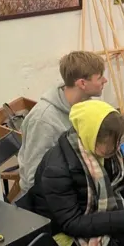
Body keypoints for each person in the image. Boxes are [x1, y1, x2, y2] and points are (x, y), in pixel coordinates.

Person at [29, 100, 124, 246]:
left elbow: (121, 184)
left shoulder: (105, 151)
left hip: (91, 216)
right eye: (110, 145)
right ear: (90, 135)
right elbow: (71, 223)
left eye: (118, 142)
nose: (115, 149)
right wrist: (123, 219)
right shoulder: (57, 170)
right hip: (63, 233)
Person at [18, 51, 107, 194]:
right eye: (100, 77)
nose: (105, 80)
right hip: (52, 199)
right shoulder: (43, 120)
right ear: (82, 83)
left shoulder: (86, 104)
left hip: (79, 182)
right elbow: (33, 178)